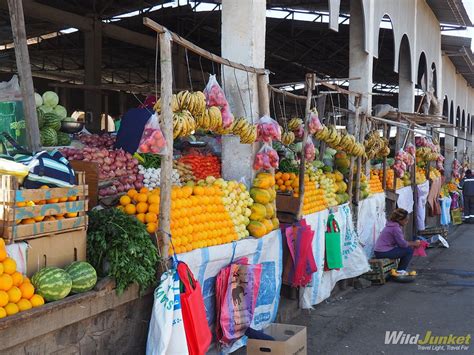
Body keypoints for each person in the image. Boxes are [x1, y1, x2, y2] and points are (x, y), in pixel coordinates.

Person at [374, 208, 420, 275]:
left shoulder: (391, 225)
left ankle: (399, 270)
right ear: (399, 220)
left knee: (407, 248)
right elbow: (403, 244)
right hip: (383, 252)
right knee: (409, 251)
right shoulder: (395, 228)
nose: (407, 222)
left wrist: (411, 243)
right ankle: (400, 270)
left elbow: (401, 243)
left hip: (379, 251)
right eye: (406, 220)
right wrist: (414, 243)